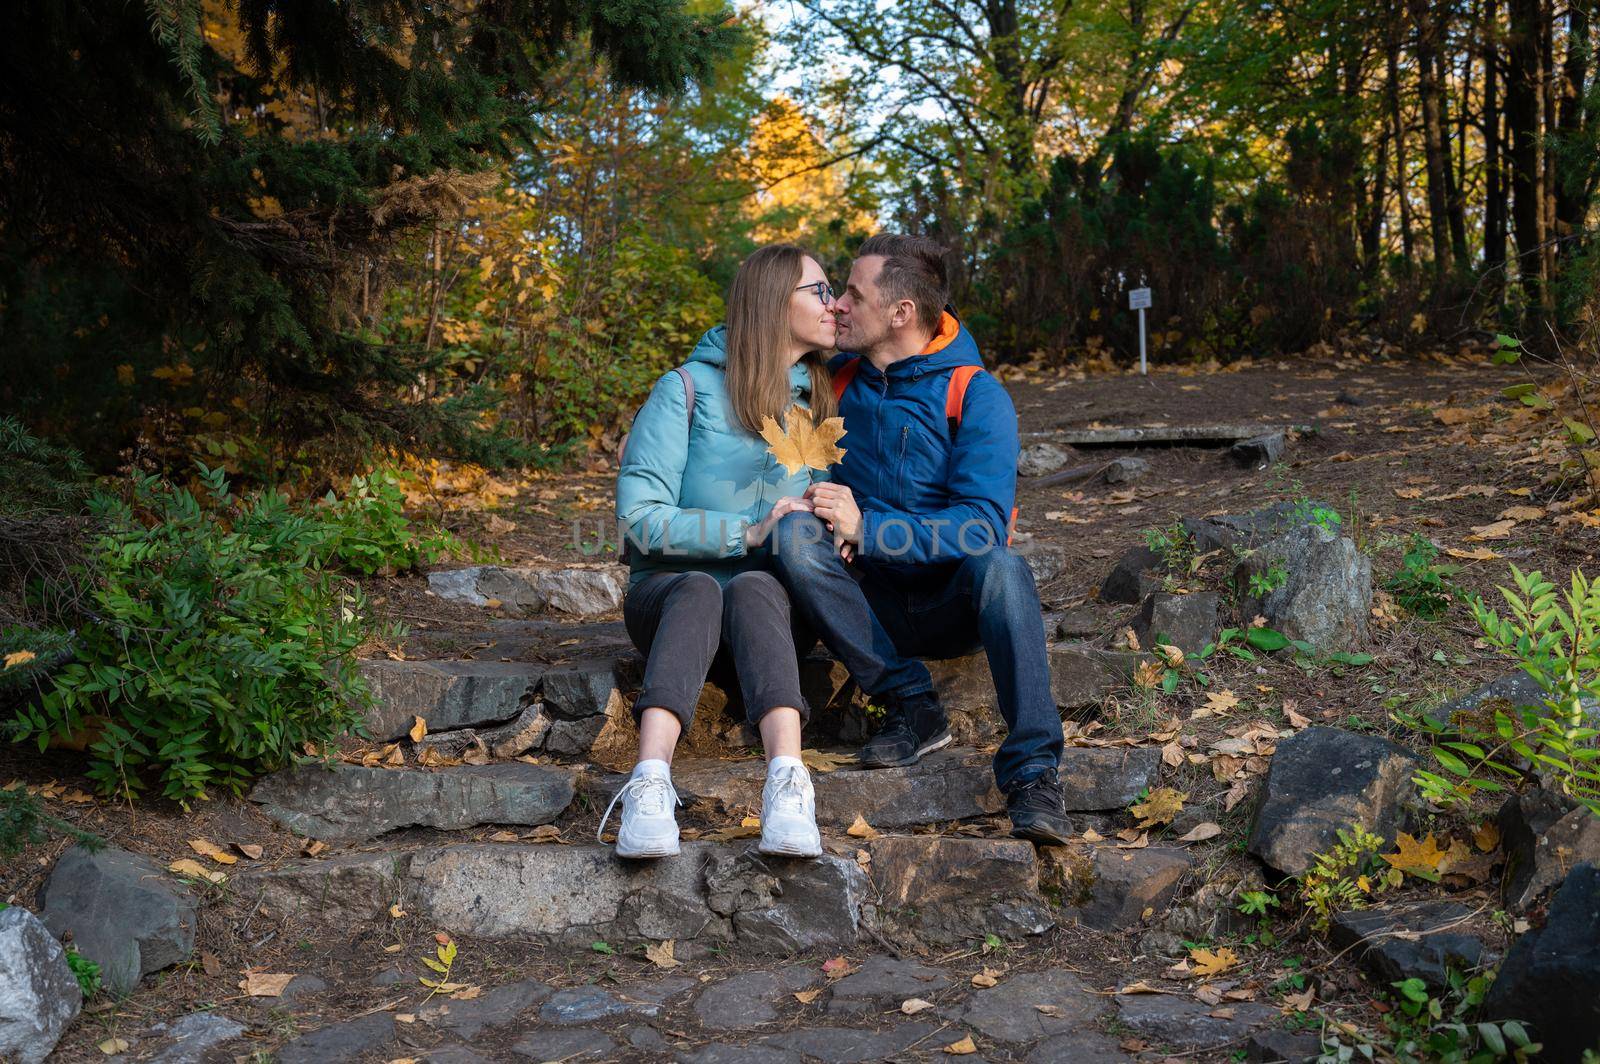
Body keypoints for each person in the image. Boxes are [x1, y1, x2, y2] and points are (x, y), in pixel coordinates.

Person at [769, 234, 1073, 845]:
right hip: (866, 599)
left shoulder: (976, 394)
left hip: (948, 602)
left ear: (901, 312)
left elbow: (982, 525)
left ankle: (1034, 774)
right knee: (795, 533)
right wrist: (821, 503)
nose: (839, 305)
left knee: (1003, 567)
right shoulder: (837, 382)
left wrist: (871, 529)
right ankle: (912, 704)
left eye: (854, 292)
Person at [604, 244, 840, 859]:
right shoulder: (684, 389)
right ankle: (649, 782)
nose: (832, 302)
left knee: (756, 586)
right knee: (702, 587)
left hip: (767, 616)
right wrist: (747, 533)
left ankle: (788, 783)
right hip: (670, 598)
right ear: (771, 302)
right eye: (817, 290)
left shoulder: (815, 403)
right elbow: (638, 519)